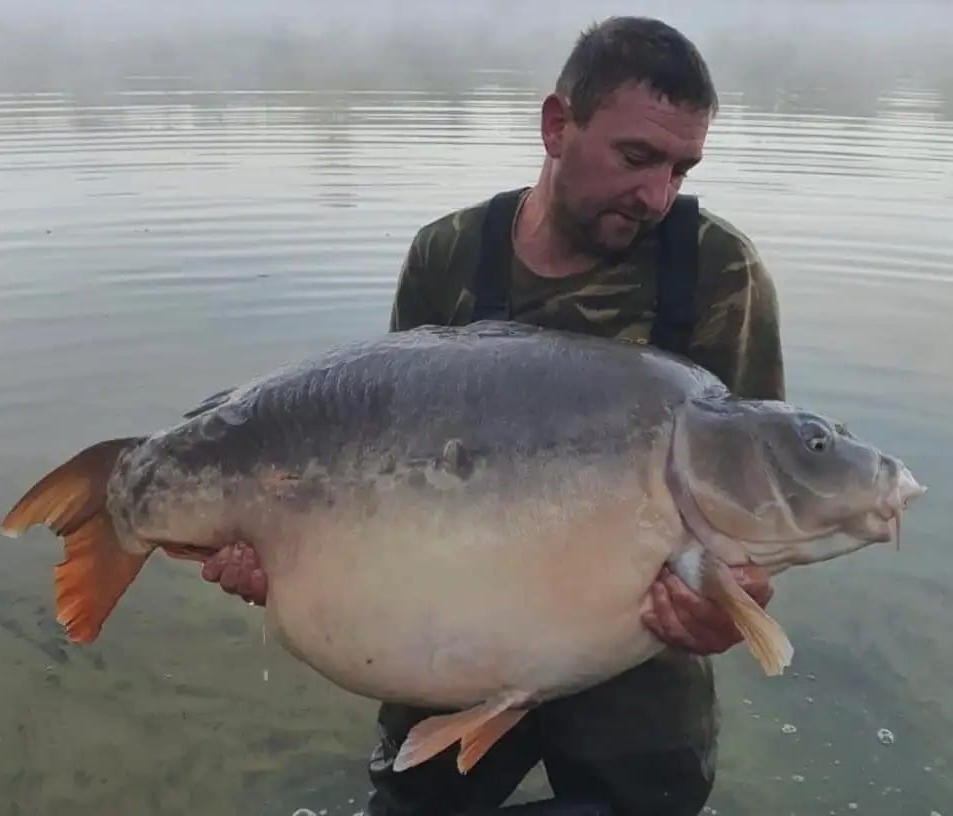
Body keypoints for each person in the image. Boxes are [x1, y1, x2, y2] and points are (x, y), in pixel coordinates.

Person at [201, 15, 783, 816]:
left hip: (633, 640)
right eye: (635, 157)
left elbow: (758, 492)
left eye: (680, 168)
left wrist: (734, 606)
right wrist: (289, 553)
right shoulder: (448, 255)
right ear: (555, 125)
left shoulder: (718, 270)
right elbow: (381, 473)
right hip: (454, 620)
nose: (656, 195)